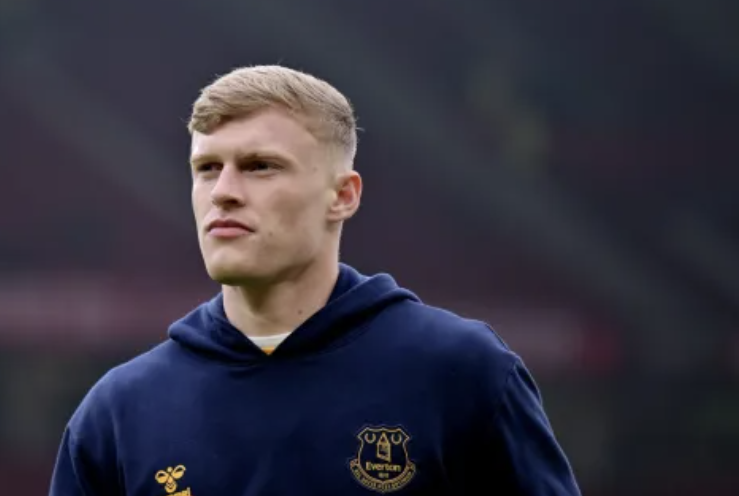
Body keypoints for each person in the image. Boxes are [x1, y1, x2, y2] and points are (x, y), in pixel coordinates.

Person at [48, 64, 581, 495]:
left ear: (343, 196)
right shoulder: (120, 412)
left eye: (259, 166)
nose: (223, 192)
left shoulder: (461, 372)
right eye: (207, 168)